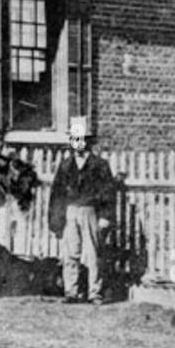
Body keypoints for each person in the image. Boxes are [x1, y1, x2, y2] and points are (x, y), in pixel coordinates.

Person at [49, 117, 118, 305]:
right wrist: (56, 219)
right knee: (71, 253)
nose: (77, 143)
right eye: (74, 139)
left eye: (80, 139)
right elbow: (57, 194)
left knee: (93, 253)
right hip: (70, 211)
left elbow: (108, 193)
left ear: (88, 142)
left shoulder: (100, 165)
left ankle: (94, 292)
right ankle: (71, 292)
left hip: (90, 211)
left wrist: (105, 217)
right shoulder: (65, 165)